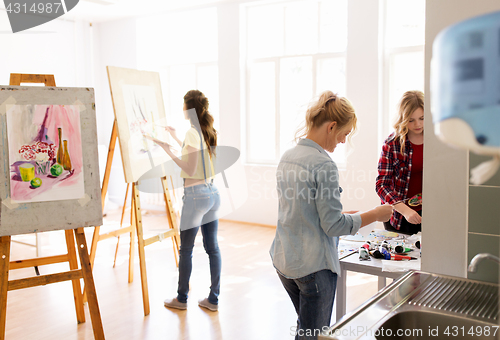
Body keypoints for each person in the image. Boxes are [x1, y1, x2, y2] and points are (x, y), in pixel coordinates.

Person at [270, 91, 393, 340]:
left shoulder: (288, 157)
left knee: (305, 329)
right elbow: (334, 225)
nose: (343, 141)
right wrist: (375, 214)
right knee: (313, 336)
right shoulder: (324, 165)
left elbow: (298, 210)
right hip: (313, 267)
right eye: (344, 134)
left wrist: (342, 214)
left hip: (284, 261)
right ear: (332, 126)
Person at [145, 90, 221, 312]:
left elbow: (189, 166)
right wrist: (176, 137)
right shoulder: (207, 130)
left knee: (186, 249)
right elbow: (197, 156)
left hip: (196, 195)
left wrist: (167, 149)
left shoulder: (192, 132)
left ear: (188, 108)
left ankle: (181, 298)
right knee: (212, 248)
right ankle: (213, 299)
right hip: (212, 193)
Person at [376, 90, 424, 235]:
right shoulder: (392, 144)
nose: (418, 124)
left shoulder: (436, 141)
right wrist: (405, 210)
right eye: (411, 120)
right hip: (399, 216)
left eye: (422, 118)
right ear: (403, 119)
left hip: (431, 212)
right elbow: (381, 185)